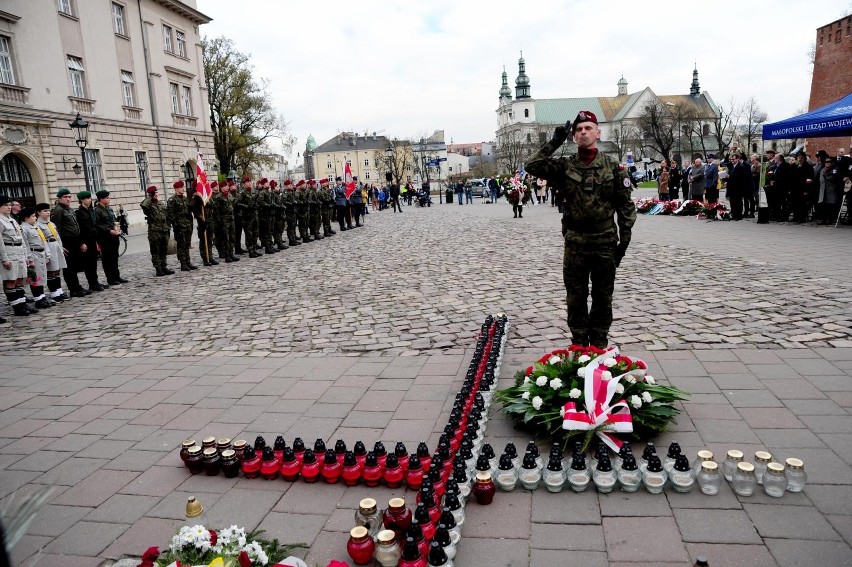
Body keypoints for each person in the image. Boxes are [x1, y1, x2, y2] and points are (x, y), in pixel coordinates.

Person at [526, 110, 636, 348]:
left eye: (588, 128)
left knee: (602, 297)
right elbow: (532, 165)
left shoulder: (614, 167)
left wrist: (624, 241)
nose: (583, 132)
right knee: (575, 297)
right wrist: (554, 141)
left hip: (605, 241)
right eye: (578, 130)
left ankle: (598, 345)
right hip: (576, 241)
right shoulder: (565, 166)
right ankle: (578, 343)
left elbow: (625, 206)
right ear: (574, 137)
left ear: (598, 132)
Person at [50, 187, 87, 297]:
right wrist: (60, 245)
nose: (68, 199)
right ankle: (73, 289)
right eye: (65, 197)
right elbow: (56, 229)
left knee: (74, 266)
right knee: (69, 267)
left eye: (69, 197)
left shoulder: (69, 209)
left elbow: (76, 226)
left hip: (75, 241)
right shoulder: (58, 210)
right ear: (60, 198)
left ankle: (77, 286)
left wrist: (81, 242)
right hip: (66, 242)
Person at [1, 194, 33, 317]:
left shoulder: (12, 220)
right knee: (11, 280)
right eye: (5, 205)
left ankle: (22, 303)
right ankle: (17, 307)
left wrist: (26, 256)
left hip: (19, 250)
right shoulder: (0, 220)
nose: (8, 207)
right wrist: (4, 258)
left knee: (20, 279)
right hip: (9, 251)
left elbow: (21, 239)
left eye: (9, 205)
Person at [20, 207, 53, 309]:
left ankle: (42, 297)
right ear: (26, 218)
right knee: (34, 279)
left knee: (41, 277)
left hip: (41, 253)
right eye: (33, 216)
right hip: (33, 254)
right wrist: (30, 259)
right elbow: (25, 244)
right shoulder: (24, 228)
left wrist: (47, 254)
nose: (35, 218)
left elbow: (43, 241)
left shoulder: (35, 227)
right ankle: (38, 299)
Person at [36, 202, 69, 302]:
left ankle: (59, 291)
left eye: (48, 211)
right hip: (48, 247)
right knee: (51, 271)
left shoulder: (51, 224)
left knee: (57, 270)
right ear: (38, 213)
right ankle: (54, 293)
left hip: (56, 246)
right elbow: (41, 239)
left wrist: (61, 247)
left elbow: (57, 236)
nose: (48, 213)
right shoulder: (38, 225)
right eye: (45, 211)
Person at [75, 190, 107, 292]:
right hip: (86, 240)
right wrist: (81, 242)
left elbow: (94, 225)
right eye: (87, 198)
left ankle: (95, 282)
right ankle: (92, 284)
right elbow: (79, 229)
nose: (89, 200)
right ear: (81, 200)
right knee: (88, 264)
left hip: (93, 239)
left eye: (90, 198)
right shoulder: (79, 213)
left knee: (93, 262)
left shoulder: (90, 210)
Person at [93, 190, 126, 285]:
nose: (109, 199)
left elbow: (113, 221)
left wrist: (117, 229)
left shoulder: (109, 209)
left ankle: (116, 276)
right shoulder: (97, 211)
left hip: (114, 237)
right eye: (107, 198)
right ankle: (110, 278)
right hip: (105, 238)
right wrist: (108, 230)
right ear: (101, 199)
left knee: (115, 257)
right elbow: (97, 225)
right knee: (107, 259)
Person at [140, 185, 175, 276]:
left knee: (163, 250)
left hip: (164, 230)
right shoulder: (148, 205)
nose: (156, 194)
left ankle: (164, 267)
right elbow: (143, 204)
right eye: (154, 193)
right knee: (155, 251)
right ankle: (158, 269)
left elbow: (166, 215)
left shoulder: (161, 204)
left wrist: (168, 227)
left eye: (156, 192)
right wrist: (150, 197)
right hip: (154, 231)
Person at [167, 180, 197, 269]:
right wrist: (176, 225)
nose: (183, 189)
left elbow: (190, 209)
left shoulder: (185, 198)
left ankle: (188, 261)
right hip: (179, 226)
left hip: (187, 225)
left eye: (183, 187)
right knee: (181, 245)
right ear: (176, 189)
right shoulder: (172, 200)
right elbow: (170, 214)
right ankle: (183, 263)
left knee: (187, 244)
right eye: (181, 188)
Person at [194, 181, 220, 265]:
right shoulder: (196, 197)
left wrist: (206, 201)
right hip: (203, 223)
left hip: (210, 221)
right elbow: (196, 211)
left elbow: (213, 205)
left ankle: (210, 257)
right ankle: (205, 258)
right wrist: (201, 220)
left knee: (210, 240)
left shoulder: (206, 196)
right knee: (203, 241)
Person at [215, 182, 239, 261]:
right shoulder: (219, 197)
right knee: (226, 238)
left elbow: (233, 204)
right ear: (221, 188)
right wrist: (219, 220)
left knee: (232, 236)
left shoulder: (229, 195)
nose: (226, 187)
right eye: (224, 186)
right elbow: (217, 210)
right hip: (224, 219)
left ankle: (231, 253)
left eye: (227, 186)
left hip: (231, 218)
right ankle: (227, 255)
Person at [726, 153, 751, 221]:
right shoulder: (732, 166)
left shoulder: (741, 166)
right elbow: (731, 175)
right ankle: (734, 214)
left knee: (738, 202)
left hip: (738, 188)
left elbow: (741, 177)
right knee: (732, 202)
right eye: (731, 159)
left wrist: (730, 176)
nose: (732, 160)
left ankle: (738, 215)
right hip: (732, 187)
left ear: (737, 159)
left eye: (733, 159)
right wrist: (725, 177)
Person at [818, 156, 841, 225]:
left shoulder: (835, 169)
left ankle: (829, 219)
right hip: (823, 189)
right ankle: (823, 219)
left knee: (830, 205)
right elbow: (821, 179)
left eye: (829, 162)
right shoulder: (822, 169)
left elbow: (832, 178)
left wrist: (826, 175)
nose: (827, 163)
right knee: (822, 205)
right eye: (826, 162)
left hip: (831, 190)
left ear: (832, 163)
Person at [282, 179, 300, 245]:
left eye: (291, 184)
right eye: (289, 185)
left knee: (293, 226)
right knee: (290, 227)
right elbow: (284, 202)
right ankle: (291, 240)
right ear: (286, 186)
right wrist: (291, 203)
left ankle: (293, 238)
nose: (291, 186)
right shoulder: (286, 193)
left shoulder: (291, 192)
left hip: (293, 211)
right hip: (289, 212)